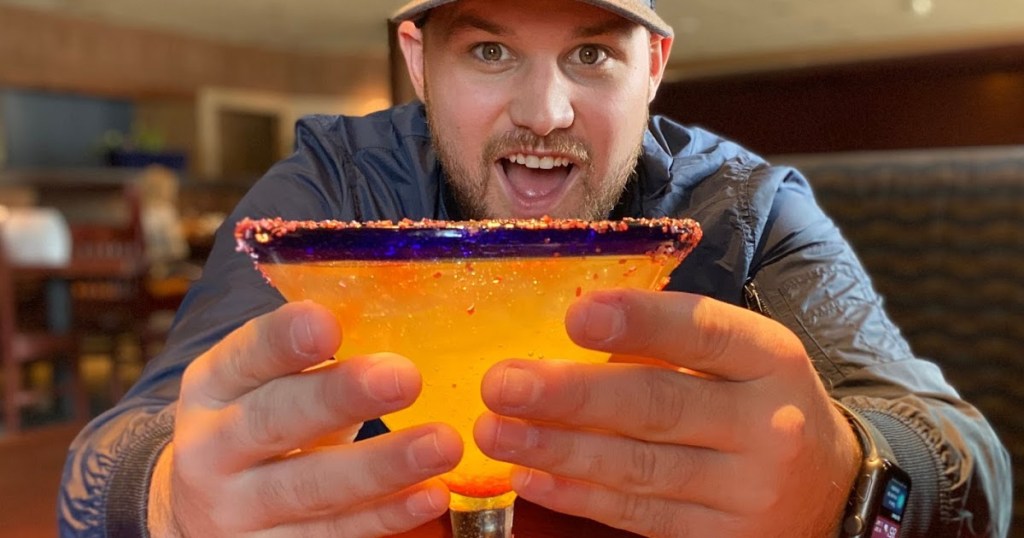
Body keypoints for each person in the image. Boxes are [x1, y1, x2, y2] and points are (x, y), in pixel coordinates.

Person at [60, 0, 1011, 536]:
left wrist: (849, 485)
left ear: (655, 67)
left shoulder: (748, 206)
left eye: (593, 52)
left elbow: (972, 462)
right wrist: (169, 498)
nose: (545, 111)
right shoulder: (334, 181)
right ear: (418, 62)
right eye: (488, 50)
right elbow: (112, 453)